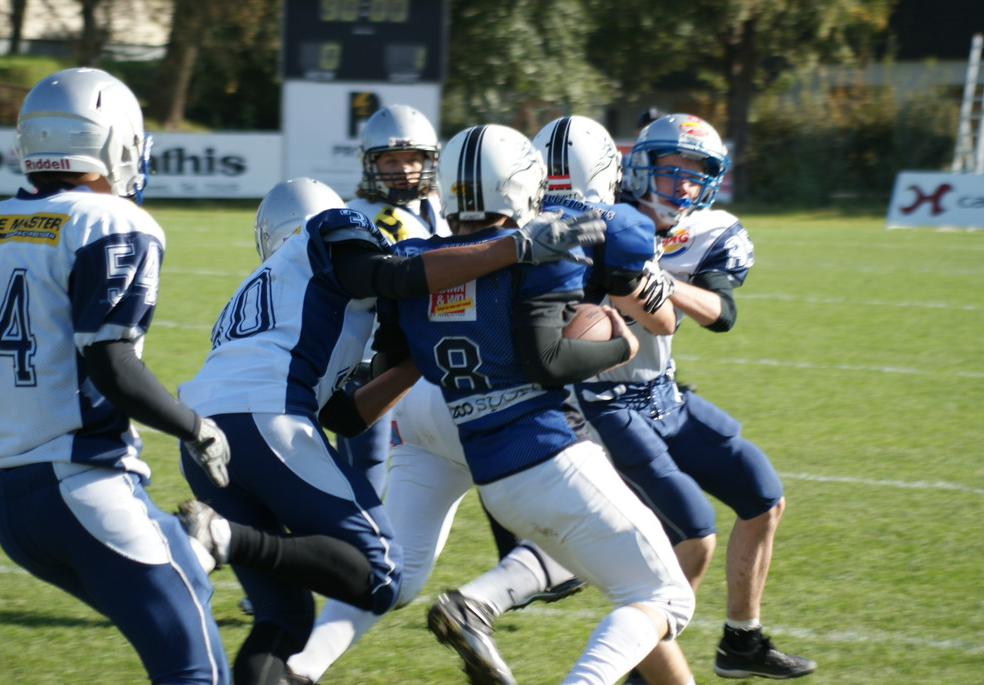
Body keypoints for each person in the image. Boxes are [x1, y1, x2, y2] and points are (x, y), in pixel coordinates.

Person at [280, 115, 674, 685]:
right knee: (611, 557)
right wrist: (618, 335)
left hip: (423, 401)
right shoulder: (560, 235)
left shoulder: (416, 248)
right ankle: (482, 603)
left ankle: (302, 668)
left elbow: (391, 337)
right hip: (507, 419)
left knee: (400, 569)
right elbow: (634, 318)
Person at [173, 174, 607, 685]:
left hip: (205, 439)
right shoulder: (332, 233)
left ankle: (228, 540)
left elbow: (344, 416)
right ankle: (225, 537)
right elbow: (392, 275)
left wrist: (423, 357)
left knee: (283, 619)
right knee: (382, 571)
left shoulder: (270, 298)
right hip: (267, 422)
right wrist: (518, 246)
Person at [389, 123, 695, 685]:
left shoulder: (419, 264)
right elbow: (551, 359)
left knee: (632, 592)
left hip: (494, 477)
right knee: (666, 598)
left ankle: (481, 603)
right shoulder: (559, 243)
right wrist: (619, 342)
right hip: (551, 454)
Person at [0, 67, 232, 684]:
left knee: (188, 582)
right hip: (86, 491)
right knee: (199, 674)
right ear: (118, 141)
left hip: (9, 503)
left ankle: (193, 548)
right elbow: (113, 366)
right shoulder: (112, 222)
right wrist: (196, 428)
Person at [580, 112, 815, 681]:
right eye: (673, 169)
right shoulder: (599, 221)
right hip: (597, 400)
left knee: (763, 497)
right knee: (682, 538)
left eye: (697, 173)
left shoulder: (710, 230)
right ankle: (643, 666)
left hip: (662, 396)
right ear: (641, 167)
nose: (684, 184)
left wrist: (659, 280)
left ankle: (741, 641)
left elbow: (721, 314)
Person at [339, 104, 451, 497]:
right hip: (372, 361)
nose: (403, 169)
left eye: (412, 159)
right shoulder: (355, 216)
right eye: (391, 159)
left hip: (429, 360)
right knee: (365, 470)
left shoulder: (440, 207)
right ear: (372, 163)